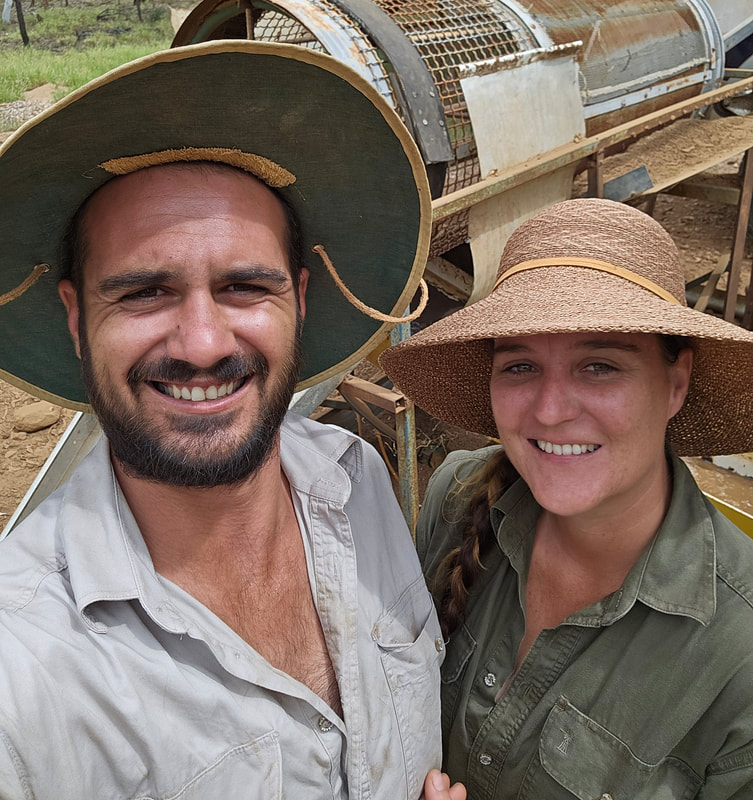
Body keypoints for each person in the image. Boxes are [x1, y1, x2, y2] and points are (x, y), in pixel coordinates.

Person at [0, 41, 464, 800]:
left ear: (299, 303)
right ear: (77, 319)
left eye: (245, 286)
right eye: (144, 292)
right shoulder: (23, 673)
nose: (203, 344)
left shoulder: (356, 481)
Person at [380, 197, 753, 799]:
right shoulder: (456, 500)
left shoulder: (738, 655)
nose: (551, 412)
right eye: (520, 366)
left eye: (599, 366)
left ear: (676, 383)